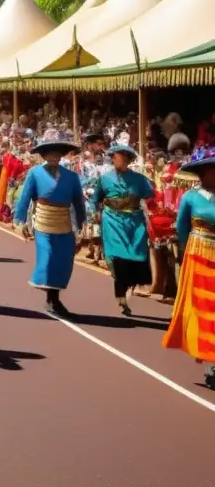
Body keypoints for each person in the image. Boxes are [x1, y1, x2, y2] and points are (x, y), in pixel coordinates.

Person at [13, 139, 87, 317]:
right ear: (44, 155)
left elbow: (78, 202)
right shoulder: (35, 173)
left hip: (64, 221)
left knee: (63, 260)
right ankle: (51, 299)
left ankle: (55, 298)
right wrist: (20, 219)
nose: (54, 157)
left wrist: (82, 224)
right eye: (50, 153)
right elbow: (25, 197)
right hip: (44, 220)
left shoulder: (71, 176)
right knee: (48, 258)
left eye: (57, 153)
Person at [161, 151, 215, 390]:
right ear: (203, 174)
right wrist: (186, 254)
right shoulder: (191, 198)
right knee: (204, 310)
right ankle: (210, 363)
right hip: (199, 256)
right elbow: (182, 229)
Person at [89, 145, 155, 316]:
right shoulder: (104, 179)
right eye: (113, 157)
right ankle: (121, 297)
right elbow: (95, 199)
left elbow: (151, 197)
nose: (114, 160)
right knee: (119, 260)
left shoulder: (140, 180)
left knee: (136, 257)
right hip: (113, 221)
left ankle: (127, 290)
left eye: (118, 157)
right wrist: (95, 213)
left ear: (127, 160)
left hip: (135, 222)